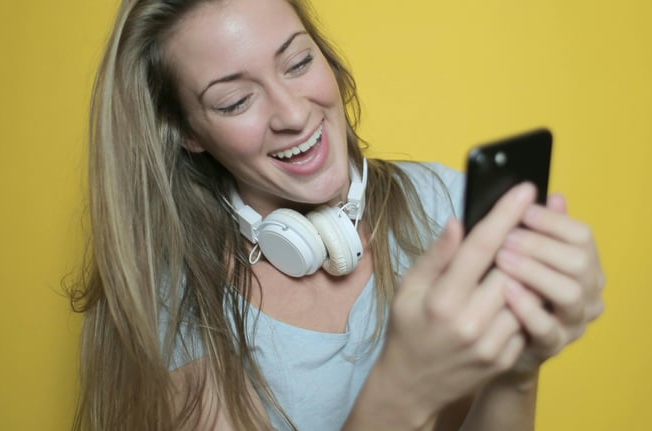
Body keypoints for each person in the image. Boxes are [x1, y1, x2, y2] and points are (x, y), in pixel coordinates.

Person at [69, 0, 605, 429]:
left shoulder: (446, 206)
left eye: (298, 63)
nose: (293, 113)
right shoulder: (168, 295)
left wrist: (517, 370)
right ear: (188, 133)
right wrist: (402, 391)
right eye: (235, 101)